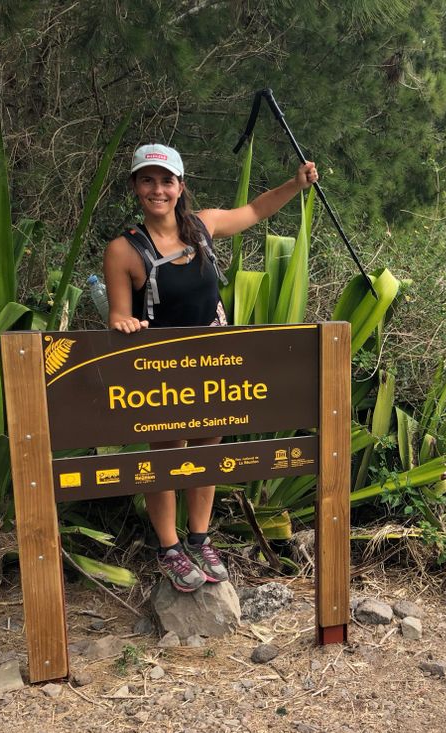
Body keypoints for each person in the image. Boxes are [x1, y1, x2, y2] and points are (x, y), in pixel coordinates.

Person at [103, 143, 318, 592]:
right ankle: (169, 548)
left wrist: (294, 185)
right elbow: (119, 315)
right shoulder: (123, 250)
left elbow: (256, 209)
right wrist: (123, 322)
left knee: (205, 453)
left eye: (166, 181)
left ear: (181, 186)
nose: (157, 190)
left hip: (213, 364)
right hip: (162, 372)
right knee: (164, 456)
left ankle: (200, 539)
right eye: (147, 180)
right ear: (135, 187)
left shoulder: (204, 226)